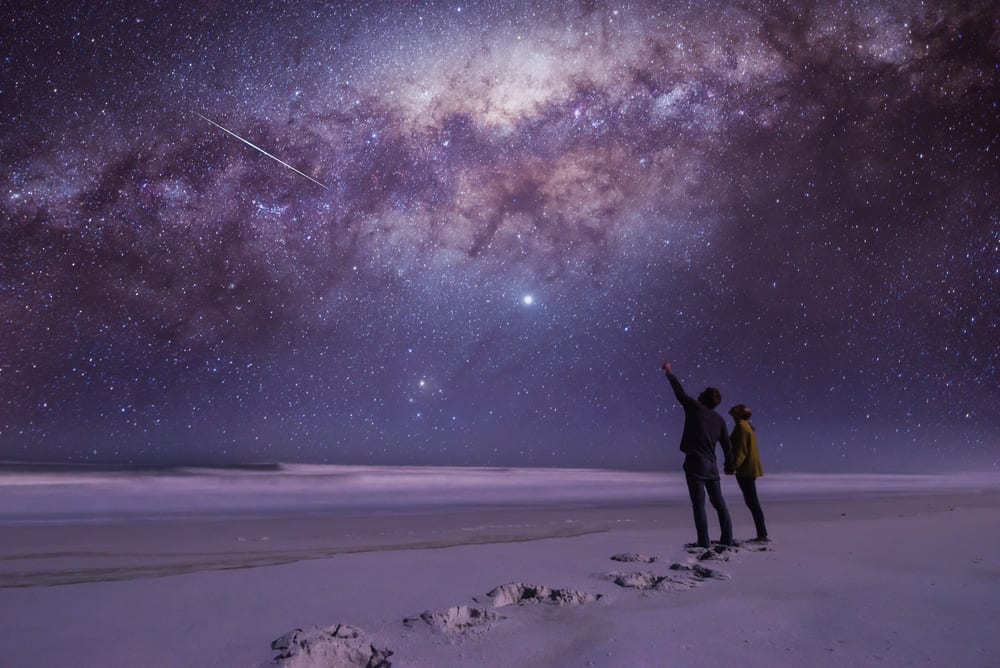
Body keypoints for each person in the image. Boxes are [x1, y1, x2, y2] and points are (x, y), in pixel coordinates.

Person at [661, 360, 734, 548]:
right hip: (712, 465)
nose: (699, 393)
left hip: (696, 462)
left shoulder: (695, 408)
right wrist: (729, 465)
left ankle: (704, 541)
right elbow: (727, 445)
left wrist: (669, 373)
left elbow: (680, 393)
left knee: (699, 504)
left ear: (704, 398)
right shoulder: (719, 420)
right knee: (719, 503)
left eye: (702, 392)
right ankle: (727, 538)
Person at [727, 404, 769, 542]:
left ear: (740, 413)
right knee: (752, 502)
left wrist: (733, 466)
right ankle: (762, 533)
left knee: (752, 502)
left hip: (746, 469)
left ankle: (762, 534)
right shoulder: (746, 426)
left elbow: (741, 450)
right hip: (749, 468)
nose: (732, 409)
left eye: (736, 409)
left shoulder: (741, 427)